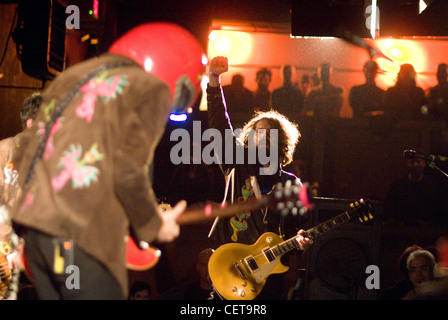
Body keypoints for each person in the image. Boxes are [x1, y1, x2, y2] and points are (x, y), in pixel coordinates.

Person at [8, 22, 205, 300]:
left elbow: (29, 153)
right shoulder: (146, 88)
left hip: (39, 243)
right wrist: (152, 224)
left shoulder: (74, 79)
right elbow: (126, 170)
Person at [206, 56, 312, 300]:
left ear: (280, 142)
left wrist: (300, 242)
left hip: (269, 273)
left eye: (269, 134)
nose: (262, 137)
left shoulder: (290, 183)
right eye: (258, 132)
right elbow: (219, 125)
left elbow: (295, 229)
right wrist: (214, 81)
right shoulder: (237, 163)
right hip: (231, 263)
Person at [382, 157, 448, 226]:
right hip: (401, 227)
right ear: (407, 164)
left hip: (425, 229)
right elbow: (389, 206)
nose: (415, 165)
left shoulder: (432, 185)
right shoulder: (398, 184)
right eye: (412, 162)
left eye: (418, 161)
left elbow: (437, 210)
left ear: (424, 163)